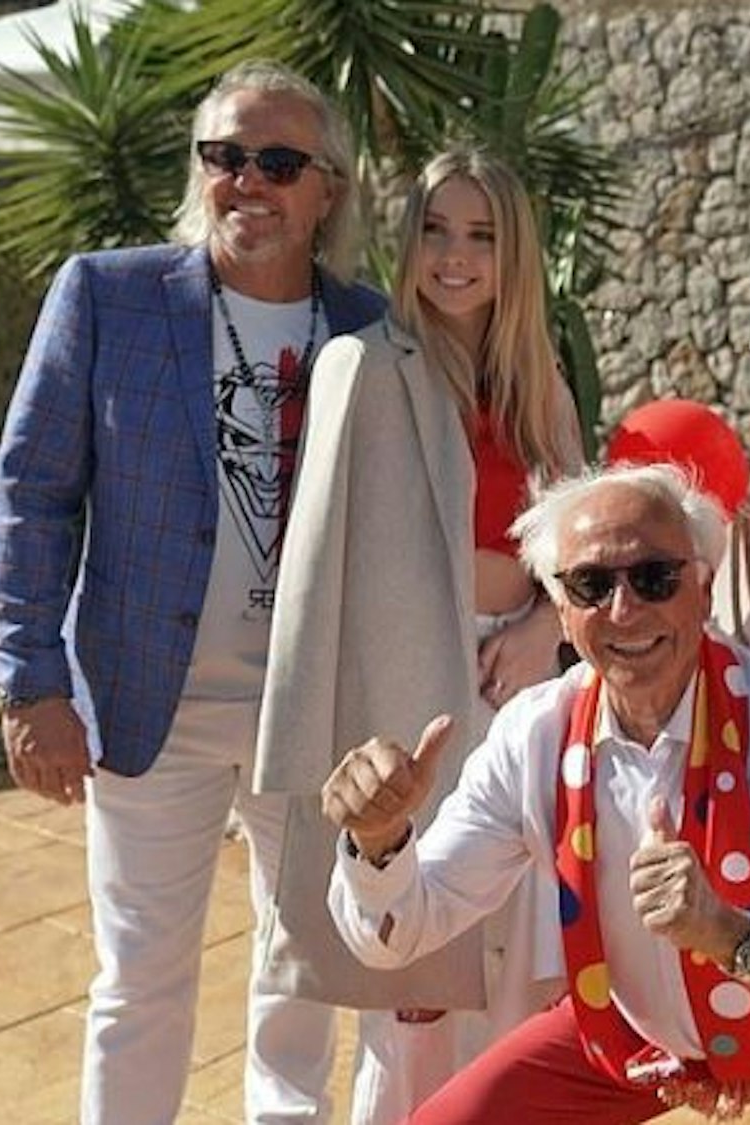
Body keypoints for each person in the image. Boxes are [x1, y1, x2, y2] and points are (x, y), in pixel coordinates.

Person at [0, 60, 383, 1124]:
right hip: (143, 701)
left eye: (279, 161)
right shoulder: (109, 294)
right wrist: (29, 682)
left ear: (325, 190)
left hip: (308, 715)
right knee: (139, 981)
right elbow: (31, 493)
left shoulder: (371, 330)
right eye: (225, 156)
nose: (248, 181)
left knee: (302, 975)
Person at [319, 463, 750, 1124]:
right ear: (560, 609)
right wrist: (379, 841)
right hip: (635, 1033)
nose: (623, 609)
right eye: (591, 584)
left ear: (702, 588)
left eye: (653, 577)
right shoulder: (534, 736)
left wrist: (727, 934)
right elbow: (408, 923)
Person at [251, 147, 586, 1123]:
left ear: (512, 253)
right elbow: (314, 573)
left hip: (522, 693)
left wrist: (540, 630)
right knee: (411, 1000)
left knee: (515, 983)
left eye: (480, 235)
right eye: (436, 229)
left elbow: (580, 552)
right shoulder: (362, 366)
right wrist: (302, 759)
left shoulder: (540, 389)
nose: (454, 255)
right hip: (410, 702)